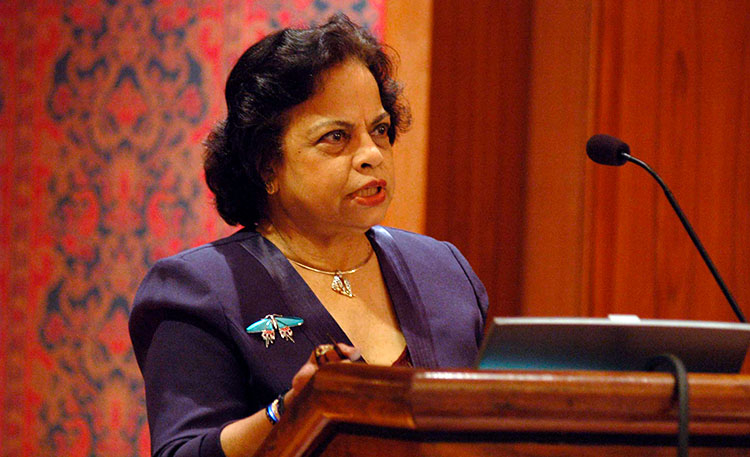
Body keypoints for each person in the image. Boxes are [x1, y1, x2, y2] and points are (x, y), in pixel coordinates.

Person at [129, 14, 488, 457]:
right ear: (267, 166)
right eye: (336, 137)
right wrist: (287, 413)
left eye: (379, 129)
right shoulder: (197, 290)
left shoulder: (443, 270)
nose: (372, 155)